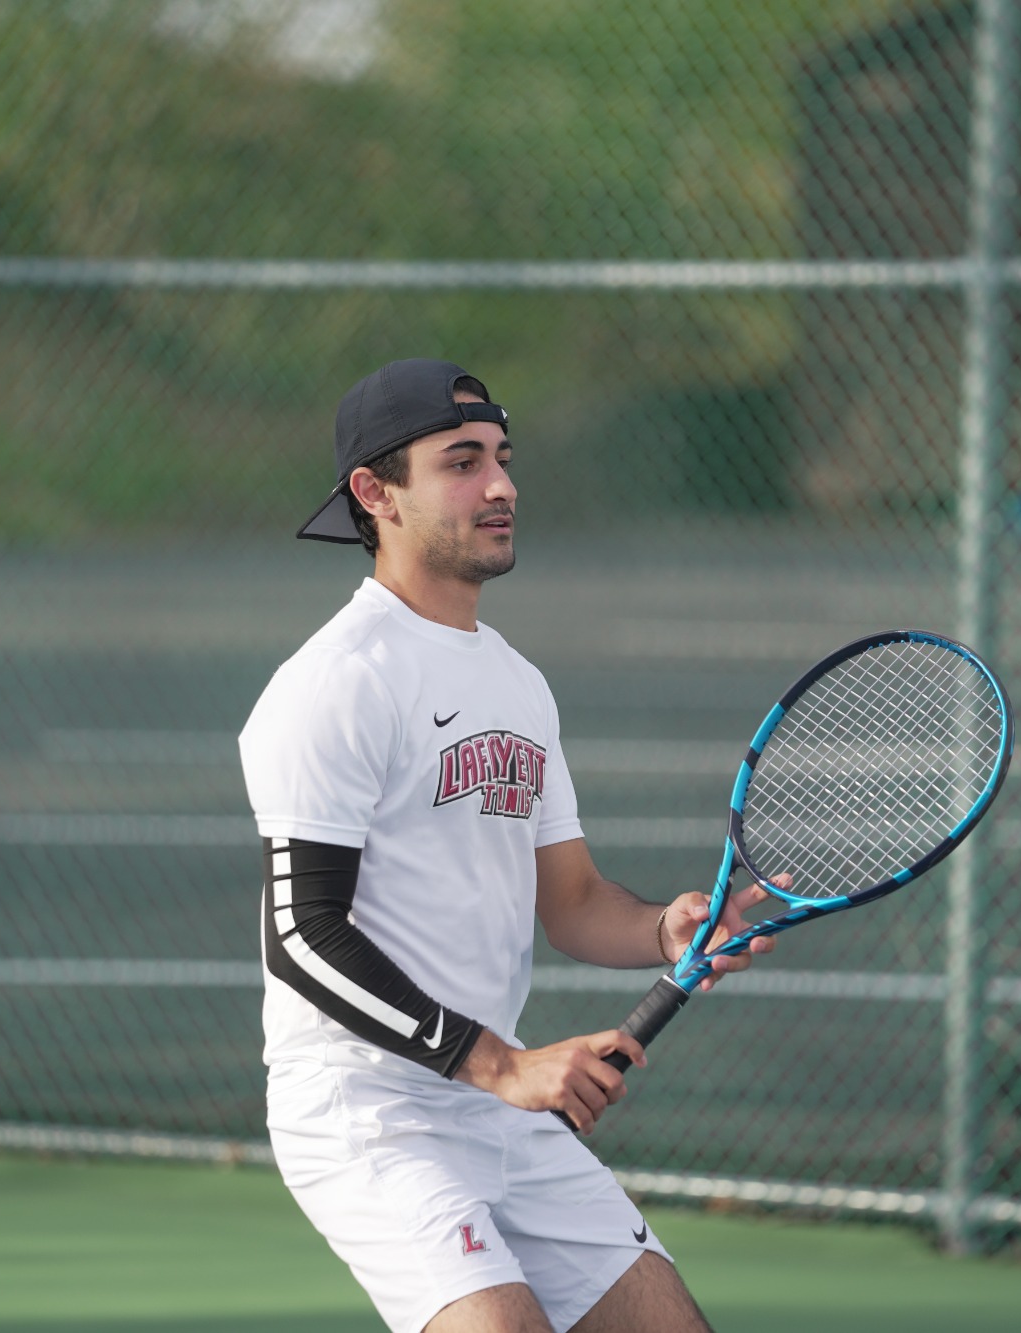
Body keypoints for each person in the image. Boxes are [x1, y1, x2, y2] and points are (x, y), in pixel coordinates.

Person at [238, 360, 773, 1333]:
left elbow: (567, 898)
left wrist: (665, 928)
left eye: (502, 457)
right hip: (368, 1111)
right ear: (374, 492)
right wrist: (497, 1065)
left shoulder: (518, 684)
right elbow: (301, 933)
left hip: (494, 1101)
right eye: (460, 462)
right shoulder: (334, 682)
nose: (501, 485)